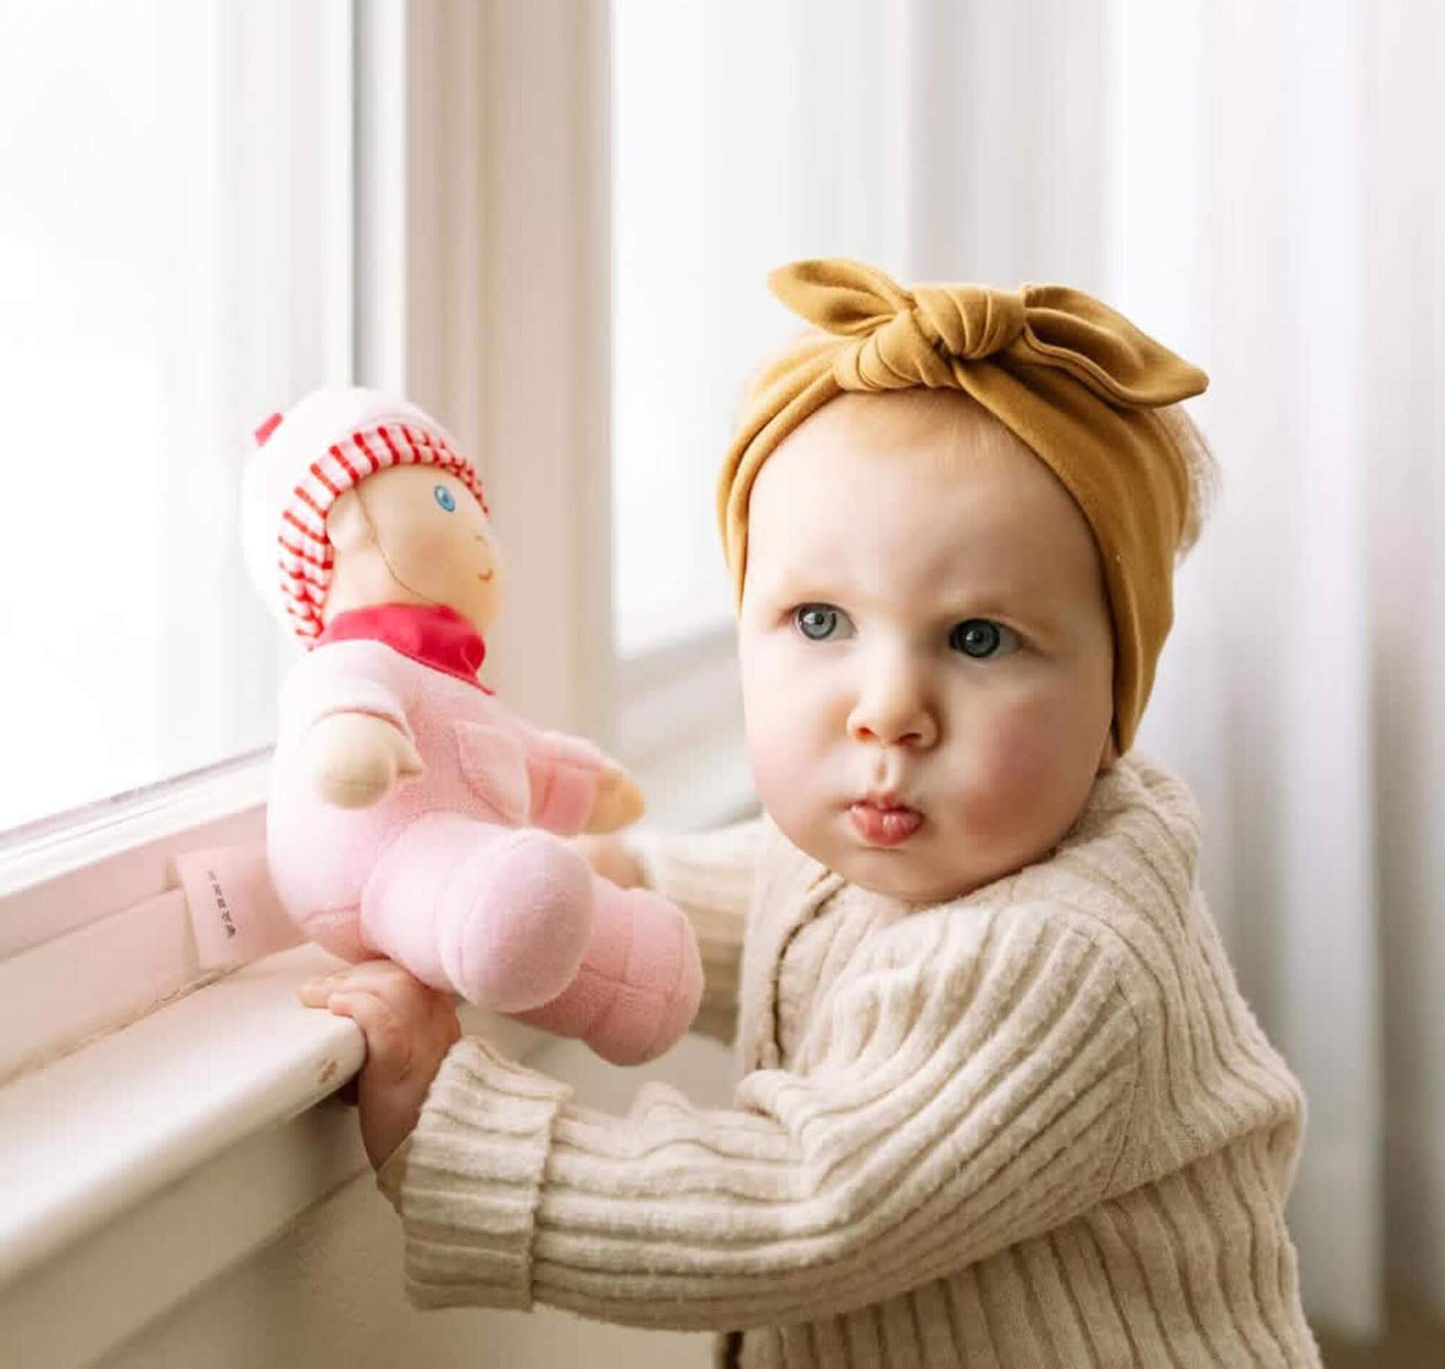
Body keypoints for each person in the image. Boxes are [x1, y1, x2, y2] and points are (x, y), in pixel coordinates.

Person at [299, 258, 1323, 1367]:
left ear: (1113, 692)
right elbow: (789, 901)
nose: (885, 711)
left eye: (977, 638)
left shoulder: (1066, 959)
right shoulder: (902, 843)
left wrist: (457, 1132)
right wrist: (623, 874)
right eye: (820, 620)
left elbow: (804, 1203)